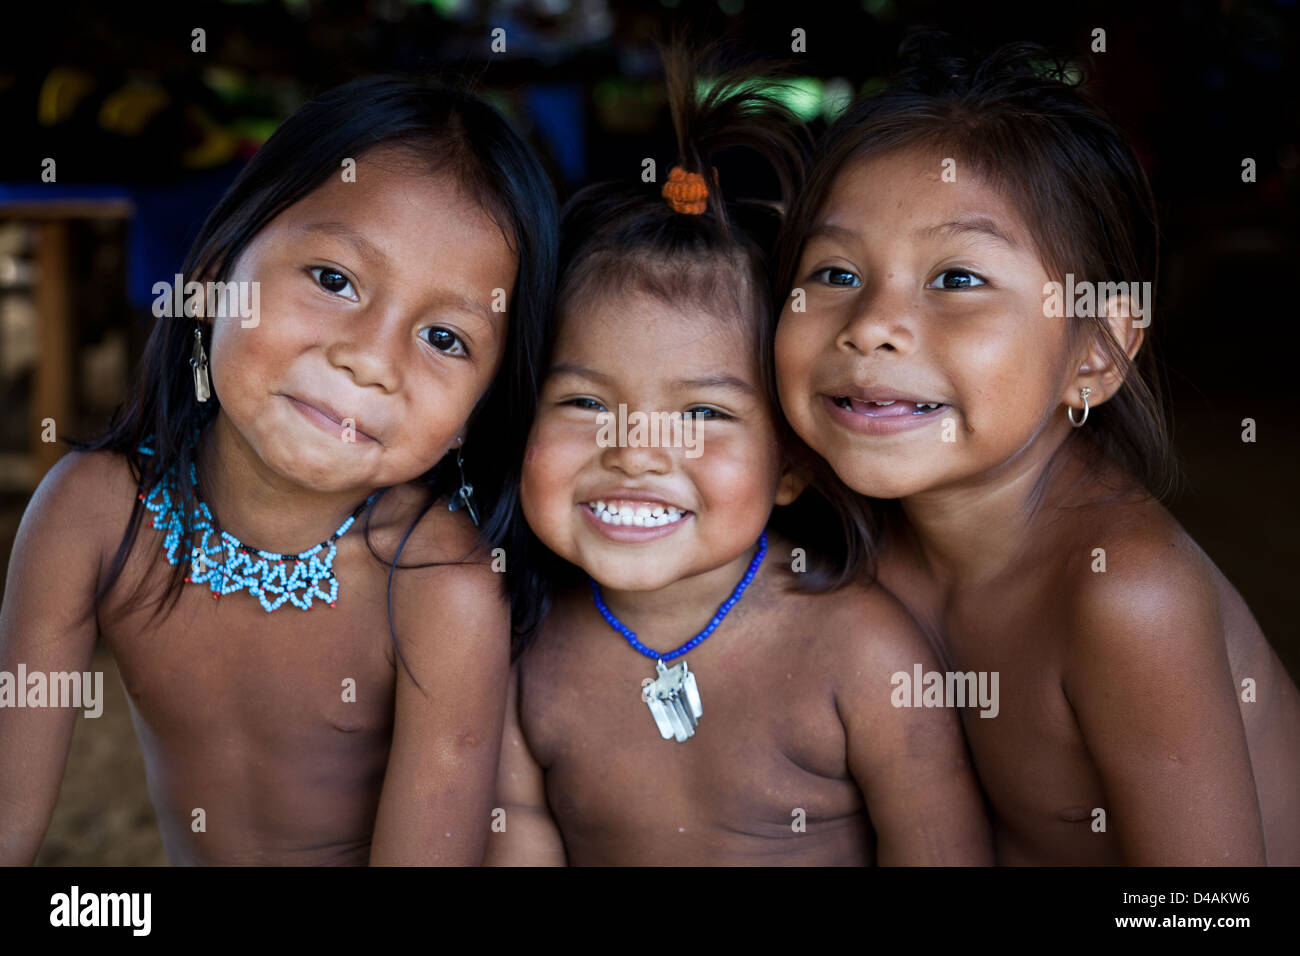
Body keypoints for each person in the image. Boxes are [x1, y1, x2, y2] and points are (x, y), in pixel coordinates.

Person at [0, 76, 558, 865]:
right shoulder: (90, 515)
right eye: (333, 280)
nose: (368, 358)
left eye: (444, 338)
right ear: (214, 271)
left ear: (481, 408)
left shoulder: (442, 588)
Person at [773, 38, 1300, 864]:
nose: (871, 322)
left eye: (957, 279)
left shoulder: (1124, 596)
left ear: (1096, 352)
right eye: (835, 273)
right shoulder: (843, 540)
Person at [486, 48, 992, 866]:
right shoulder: (519, 646)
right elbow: (520, 835)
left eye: (703, 412)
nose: (636, 453)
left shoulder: (861, 651)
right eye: (585, 403)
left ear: (793, 461)